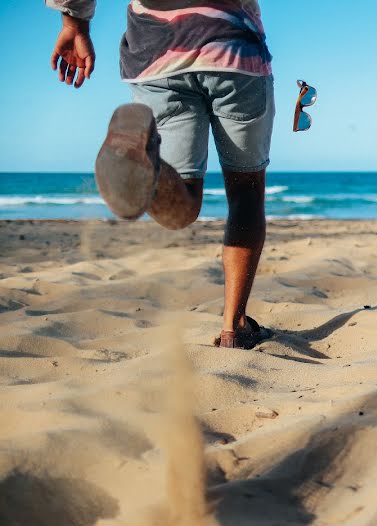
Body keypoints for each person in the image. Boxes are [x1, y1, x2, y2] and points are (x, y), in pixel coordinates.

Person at [46, 0, 276, 348]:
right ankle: (235, 325)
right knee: (246, 191)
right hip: (232, 49)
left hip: (156, 59)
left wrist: (74, 21)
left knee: (182, 204)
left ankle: (148, 163)